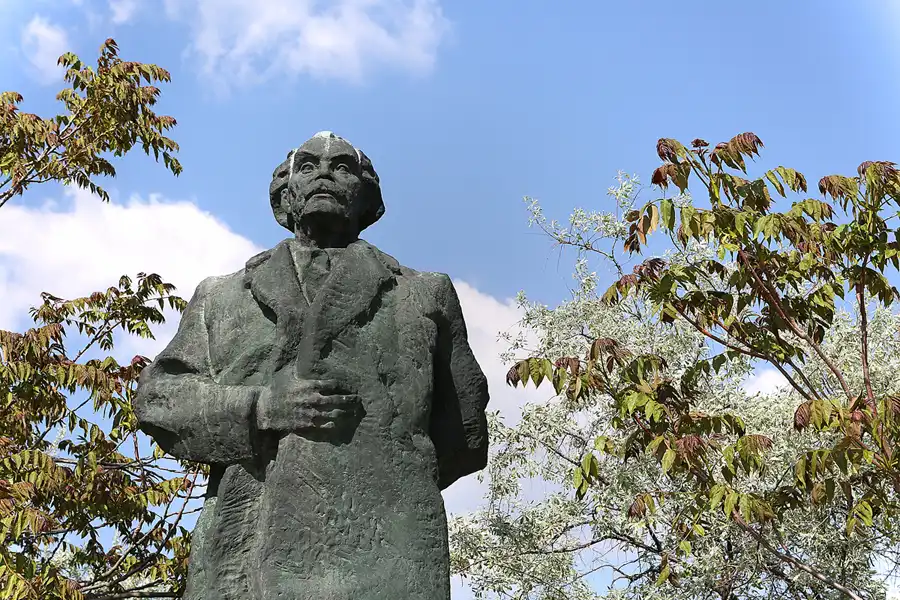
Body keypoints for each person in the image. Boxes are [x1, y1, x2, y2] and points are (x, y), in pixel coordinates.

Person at [134, 131, 489, 599]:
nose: (324, 173)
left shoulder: (424, 293)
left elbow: (463, 432)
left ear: (368, 198)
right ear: (286, 194)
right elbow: (159, 400)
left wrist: (380, 468)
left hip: (389, 549)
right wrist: (260, 409)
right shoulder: (221, 296)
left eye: (342, 167)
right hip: (249, 546)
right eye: (308, 166)